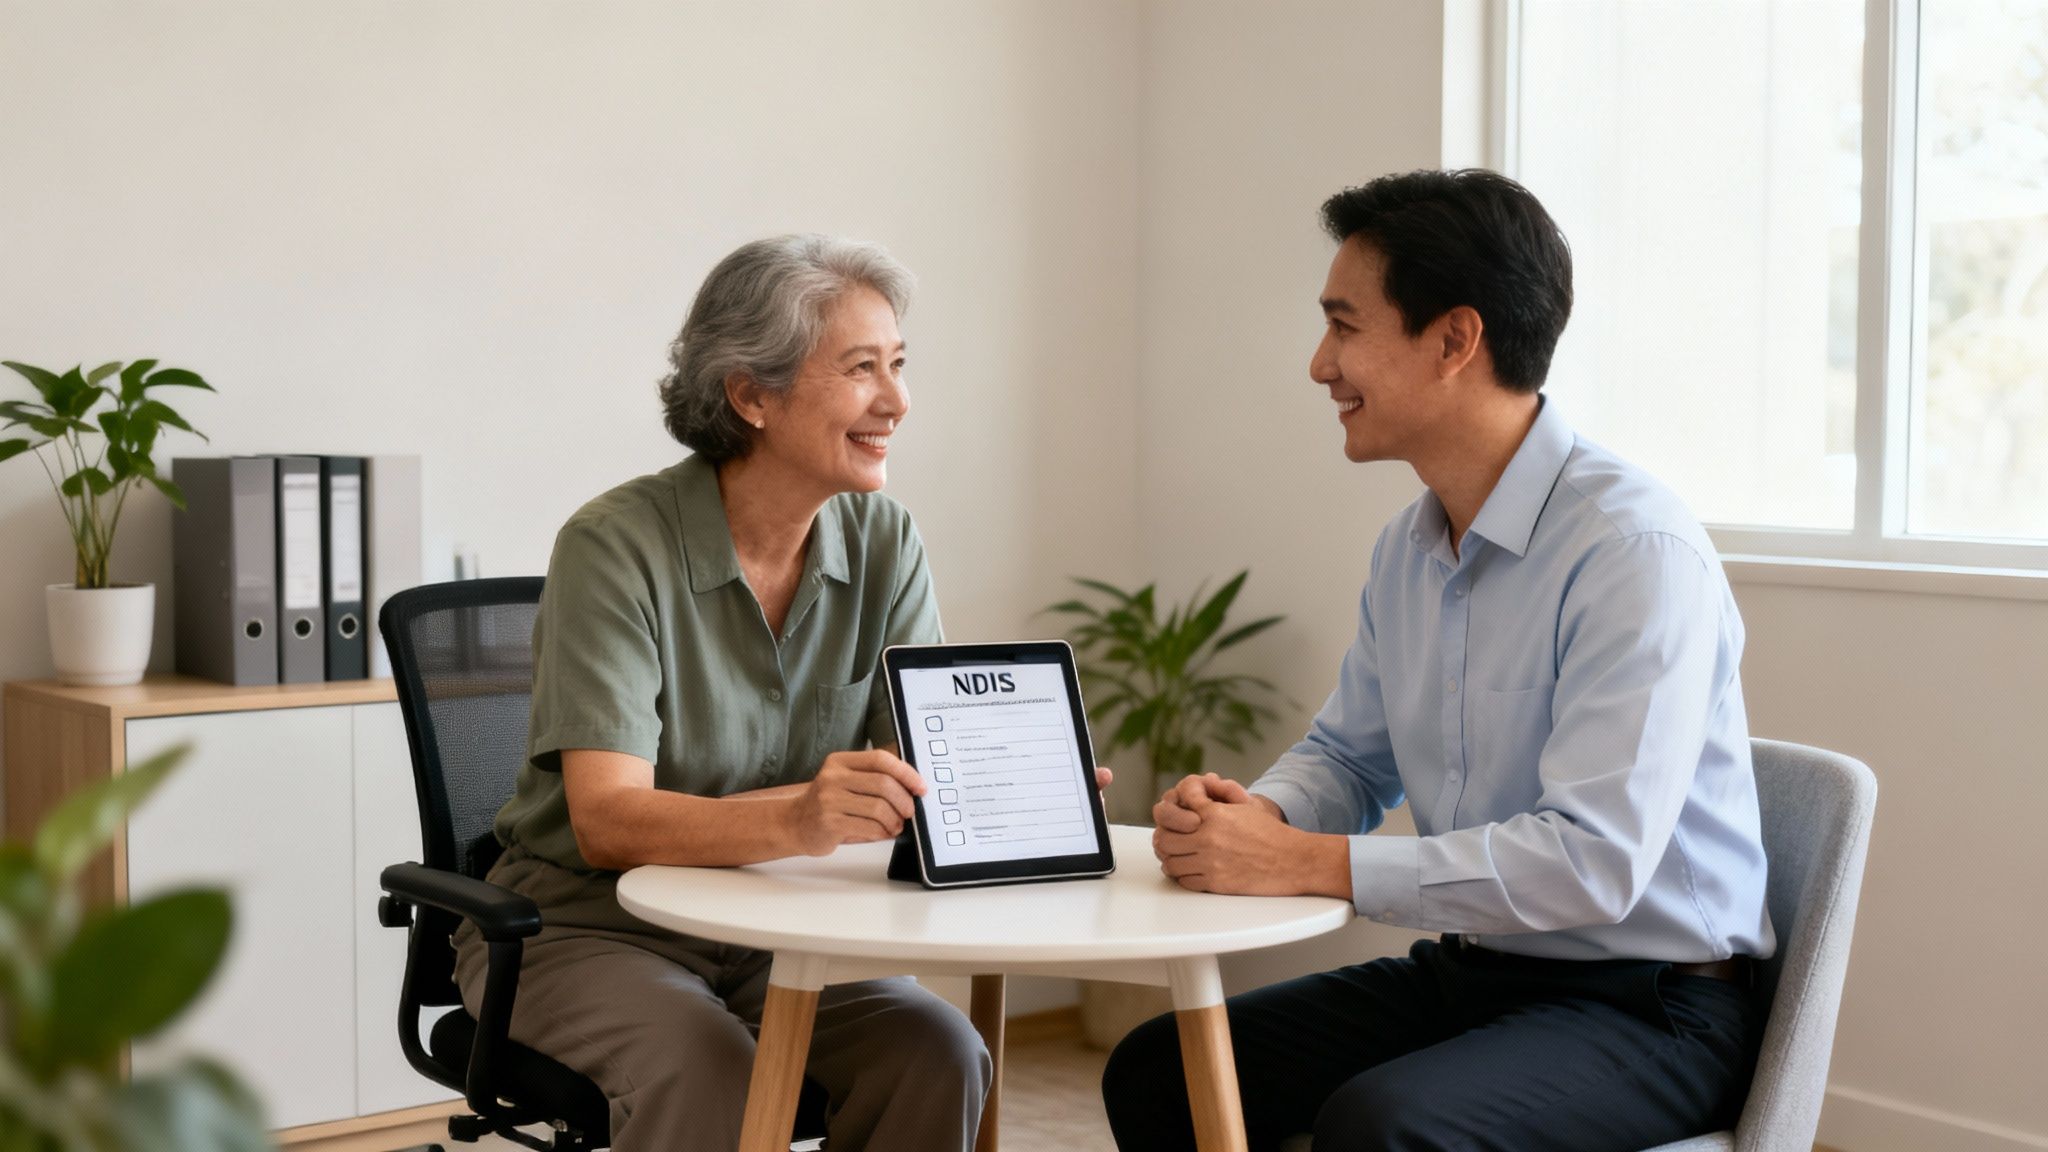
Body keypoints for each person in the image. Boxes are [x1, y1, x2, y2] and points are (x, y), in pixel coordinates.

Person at [1101, 170, 1776, 1152]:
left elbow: (1591, 866)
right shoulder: (1409, 547)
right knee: (1160, 1068)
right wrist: (1263, 815)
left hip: (1650, 1008)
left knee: (1382, 1128)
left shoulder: (1631, 552)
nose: (1317, 364)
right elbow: (1348, 756)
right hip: (1477, 974)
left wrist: (1308, 862)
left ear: (1455, 340)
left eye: (1343, 326)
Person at [452, 235, 1001, 1151]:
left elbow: (907, 771)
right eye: (861, 368)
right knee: (711, 1071)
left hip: (778, 927)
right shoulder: (613, 547)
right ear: (751, 394)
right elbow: (607, 820)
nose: (896, 401)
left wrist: (1005, 788)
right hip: (591, 927)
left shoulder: (885, 541)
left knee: (939, 1050)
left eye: (898, 365)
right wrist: (801, 818)